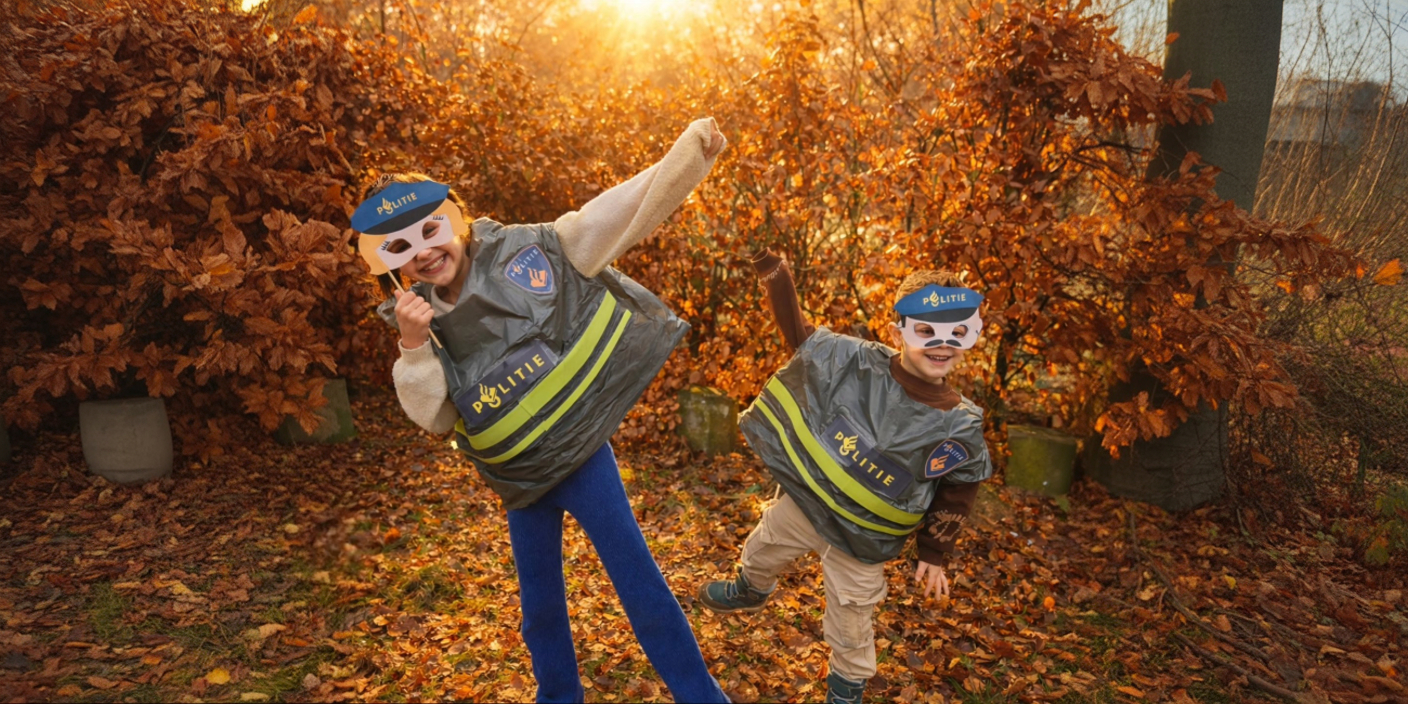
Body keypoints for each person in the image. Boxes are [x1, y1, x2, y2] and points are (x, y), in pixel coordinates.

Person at [350, 118, 729, 704]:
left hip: (582, 459)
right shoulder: (415, 315)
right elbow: (436, 418)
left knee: (639, 585)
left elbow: (611, 216)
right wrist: (413, 345)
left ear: (456, 218)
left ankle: (702, 698)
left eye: (430, 231)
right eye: (400, 247)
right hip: (521, 480)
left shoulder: (530, 250)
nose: (424, 253)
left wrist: (686, 156)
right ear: (385, 262)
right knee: (540, 609)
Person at [699, 251, 993, 704]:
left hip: (865, 538)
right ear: (897, 333)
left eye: (957, 333)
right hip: (809, 503)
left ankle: (846, 687)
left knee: (852, 613)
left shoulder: (960, 423)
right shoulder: (857, 362)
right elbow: (801, 337)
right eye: (926, 331)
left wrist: (934, 552)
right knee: (762, 546)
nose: (943, 344)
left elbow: (958, 490)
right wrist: (777, 275)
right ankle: (750, 589)